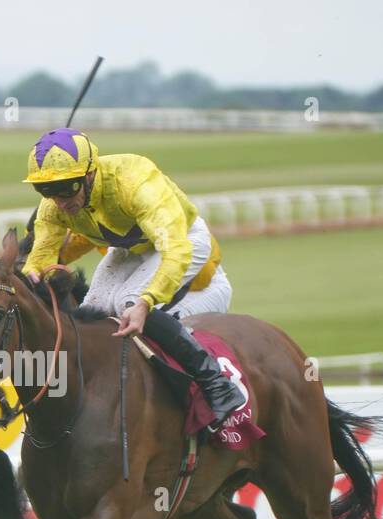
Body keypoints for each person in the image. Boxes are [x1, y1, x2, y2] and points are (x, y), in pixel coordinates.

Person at [19, 128, 244, 420]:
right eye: (46, 191)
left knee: (129, 302)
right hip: (133, 247)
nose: (59, 201)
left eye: (66, 188)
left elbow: (175, 248)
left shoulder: (134, 181)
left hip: (182, 240)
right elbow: (42, 256)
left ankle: (215, 382)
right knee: (91, 312)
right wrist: (29, 274)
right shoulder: (56, 204)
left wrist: (146, 302)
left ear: (89, 174)